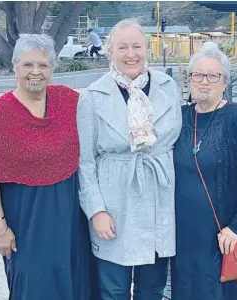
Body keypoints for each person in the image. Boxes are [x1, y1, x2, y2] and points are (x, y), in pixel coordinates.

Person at [0, 34, 93, 299]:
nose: (35, 72)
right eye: (28, 65)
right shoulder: (2, 111)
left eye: (43, 65)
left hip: (71, 221)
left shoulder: (68, 100)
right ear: (15, 67)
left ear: (52, 69)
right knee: (34, 286)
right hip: (27, 224)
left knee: (75, 281)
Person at [77, 18, 182, 300]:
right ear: (109, 52)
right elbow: (85, 162)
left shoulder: (167, 86)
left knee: (152, 288)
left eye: (137, 46)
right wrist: (96, 210)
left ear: (147, 49)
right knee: (113, 290)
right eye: (122, 47)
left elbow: (176, 142)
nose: (130, 54)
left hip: (158, 198)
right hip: (115, 205)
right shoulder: (93, 96)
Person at [170, 46, 237, 299]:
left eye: (213, 76)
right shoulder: (179, 118)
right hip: (186, 237)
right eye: (198, 75)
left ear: (224, 82)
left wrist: (236, 227)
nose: (204, 81)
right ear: (189, 80)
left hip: (224, 236)